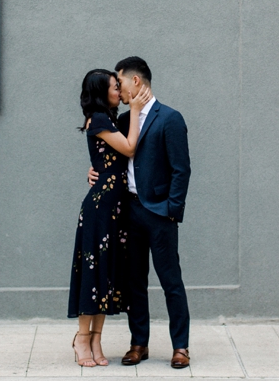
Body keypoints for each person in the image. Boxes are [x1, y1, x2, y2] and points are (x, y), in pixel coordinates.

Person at [88, 56, 192, 369]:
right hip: (128, 212)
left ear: (136, 82)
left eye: (119, 83)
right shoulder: (121, 121)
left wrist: (172, 211)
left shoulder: (170, 118)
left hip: (160, 214)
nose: (117, 90)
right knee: (135, 282)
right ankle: (139, 344)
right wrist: (93, 173)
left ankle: (181, 347)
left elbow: (181, 170)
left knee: (170, 280)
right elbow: (111, 155)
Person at [68, 69, 151, 367]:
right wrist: (137, 109)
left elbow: (107, 160)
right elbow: (129, 148)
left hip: (115, 209)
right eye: (115, 87)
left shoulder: (111, 119)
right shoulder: (101, 119)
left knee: (107, 274)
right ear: (102, 93)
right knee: (94, 272)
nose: (120, 91)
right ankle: (81, 337)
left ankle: (97, 339)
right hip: (101, 209)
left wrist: (96, 171)